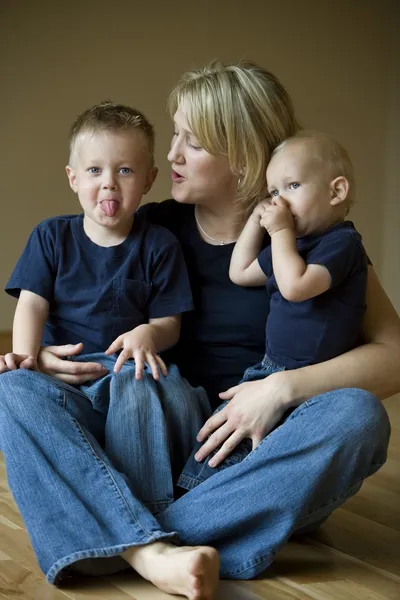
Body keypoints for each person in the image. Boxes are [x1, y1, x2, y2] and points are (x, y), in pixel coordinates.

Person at [0, 61, 398, 600]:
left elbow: (393, 354)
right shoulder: (152, 229)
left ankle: (124, 536)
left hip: (255, 452)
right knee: (13, 389)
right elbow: (73, 300)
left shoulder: (317, 241)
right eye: (175, 135)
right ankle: (167, 544)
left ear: (242, 153)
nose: (172, 155)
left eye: (193, 141)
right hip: (148, 438)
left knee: (358, 417)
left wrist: (279, 390)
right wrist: (40, 357)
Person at [178, 130, 369, 488]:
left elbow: (296, 287)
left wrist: (279, 234)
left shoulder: (342, 244)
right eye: (274, 193)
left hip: (310, 383)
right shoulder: (295, 246)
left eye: (292, 186)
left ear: (336, 191)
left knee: (260, 454)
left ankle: (199, 511)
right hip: (264, 373)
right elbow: (241, 272)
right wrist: (256, 220)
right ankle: (192, 499)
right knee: (220, 445)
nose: (280, 203)